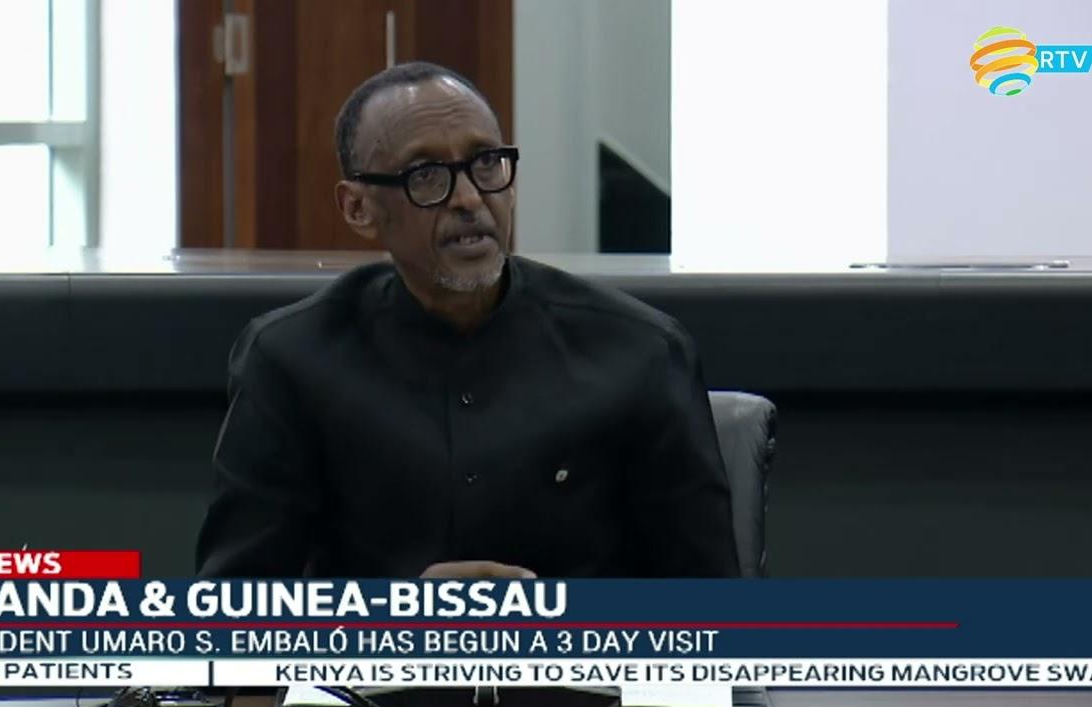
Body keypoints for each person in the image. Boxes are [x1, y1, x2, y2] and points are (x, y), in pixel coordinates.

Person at [195, 61, 739, 580]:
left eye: (486, 163)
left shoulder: (641, 351)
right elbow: (234, 611)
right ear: (358, 208)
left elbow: (714, 614)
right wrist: (398, 619)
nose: (469, 198)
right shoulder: (291, 361)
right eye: (427, 175)